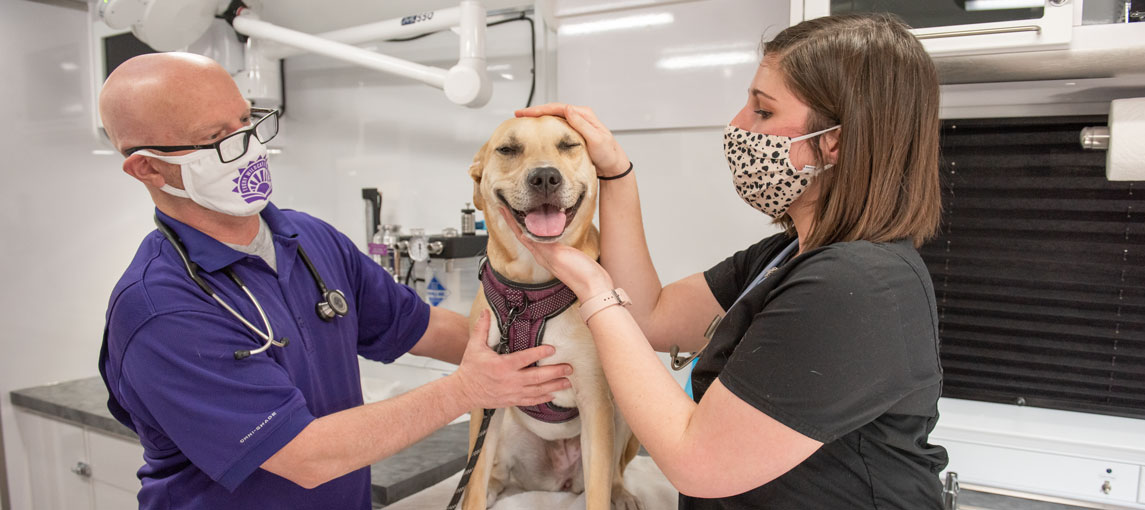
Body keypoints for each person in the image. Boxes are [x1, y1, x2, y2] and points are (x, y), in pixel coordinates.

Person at [506, 13, 948, 509]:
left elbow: (696, 462)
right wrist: (616, 174)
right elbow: (650, 316)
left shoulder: (858, 287)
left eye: (761, 111)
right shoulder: (788, 256)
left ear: (836, 141)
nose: (737, 125)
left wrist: (593, 292)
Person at [96, 52, 573, 509]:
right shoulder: (160, 310)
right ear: (149, 167)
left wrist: (558, 358)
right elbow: (306, 456)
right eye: (217, 137)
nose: (249, 147)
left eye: (247, 122)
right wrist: (467, 390)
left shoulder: (307, 239)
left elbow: (424, 327)